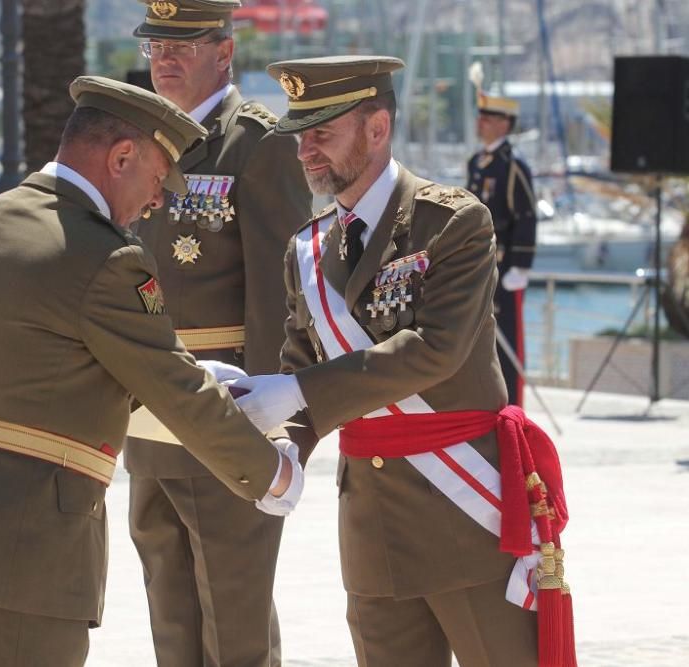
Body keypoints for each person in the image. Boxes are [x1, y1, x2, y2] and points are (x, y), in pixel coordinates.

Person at [0, 76, 305, 667]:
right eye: (159, 178)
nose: (159, 200)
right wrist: (270, 474)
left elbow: (58, 371)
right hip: (27, 536)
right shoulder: (104, 256)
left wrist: (214, 378)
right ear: (120, 157)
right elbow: (169, 386)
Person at [228, 56, 574, 667]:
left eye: (322, 135)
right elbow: (299, 362)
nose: (305, 151)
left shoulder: (453, 221)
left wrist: (297, 392)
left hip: (466, 513)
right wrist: (287, 448)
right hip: (372, 528)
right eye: (300, 136)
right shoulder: (305, 250)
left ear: (377, 128)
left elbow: (437, 349)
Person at [126, 3, 312, 664]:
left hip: (224, 417)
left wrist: (267, 430)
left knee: (234, 624)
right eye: (156, 45)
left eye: (183, 44)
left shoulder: (258, 145)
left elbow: (282, 300)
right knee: (171, 620)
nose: (165, 58)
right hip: (147, 418)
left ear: (225, 52)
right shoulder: (143, 143)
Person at [466, 88, 537, 407]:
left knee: (508, 340)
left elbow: (526, 214)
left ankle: (513, 407)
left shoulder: (513, 165)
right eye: (480, 117)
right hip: (479, 266)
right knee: (478, 338)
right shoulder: (477, 163)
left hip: (505, 267)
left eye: (488, 118)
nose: (481, 123)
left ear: (505, 124)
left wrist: (521, 266)